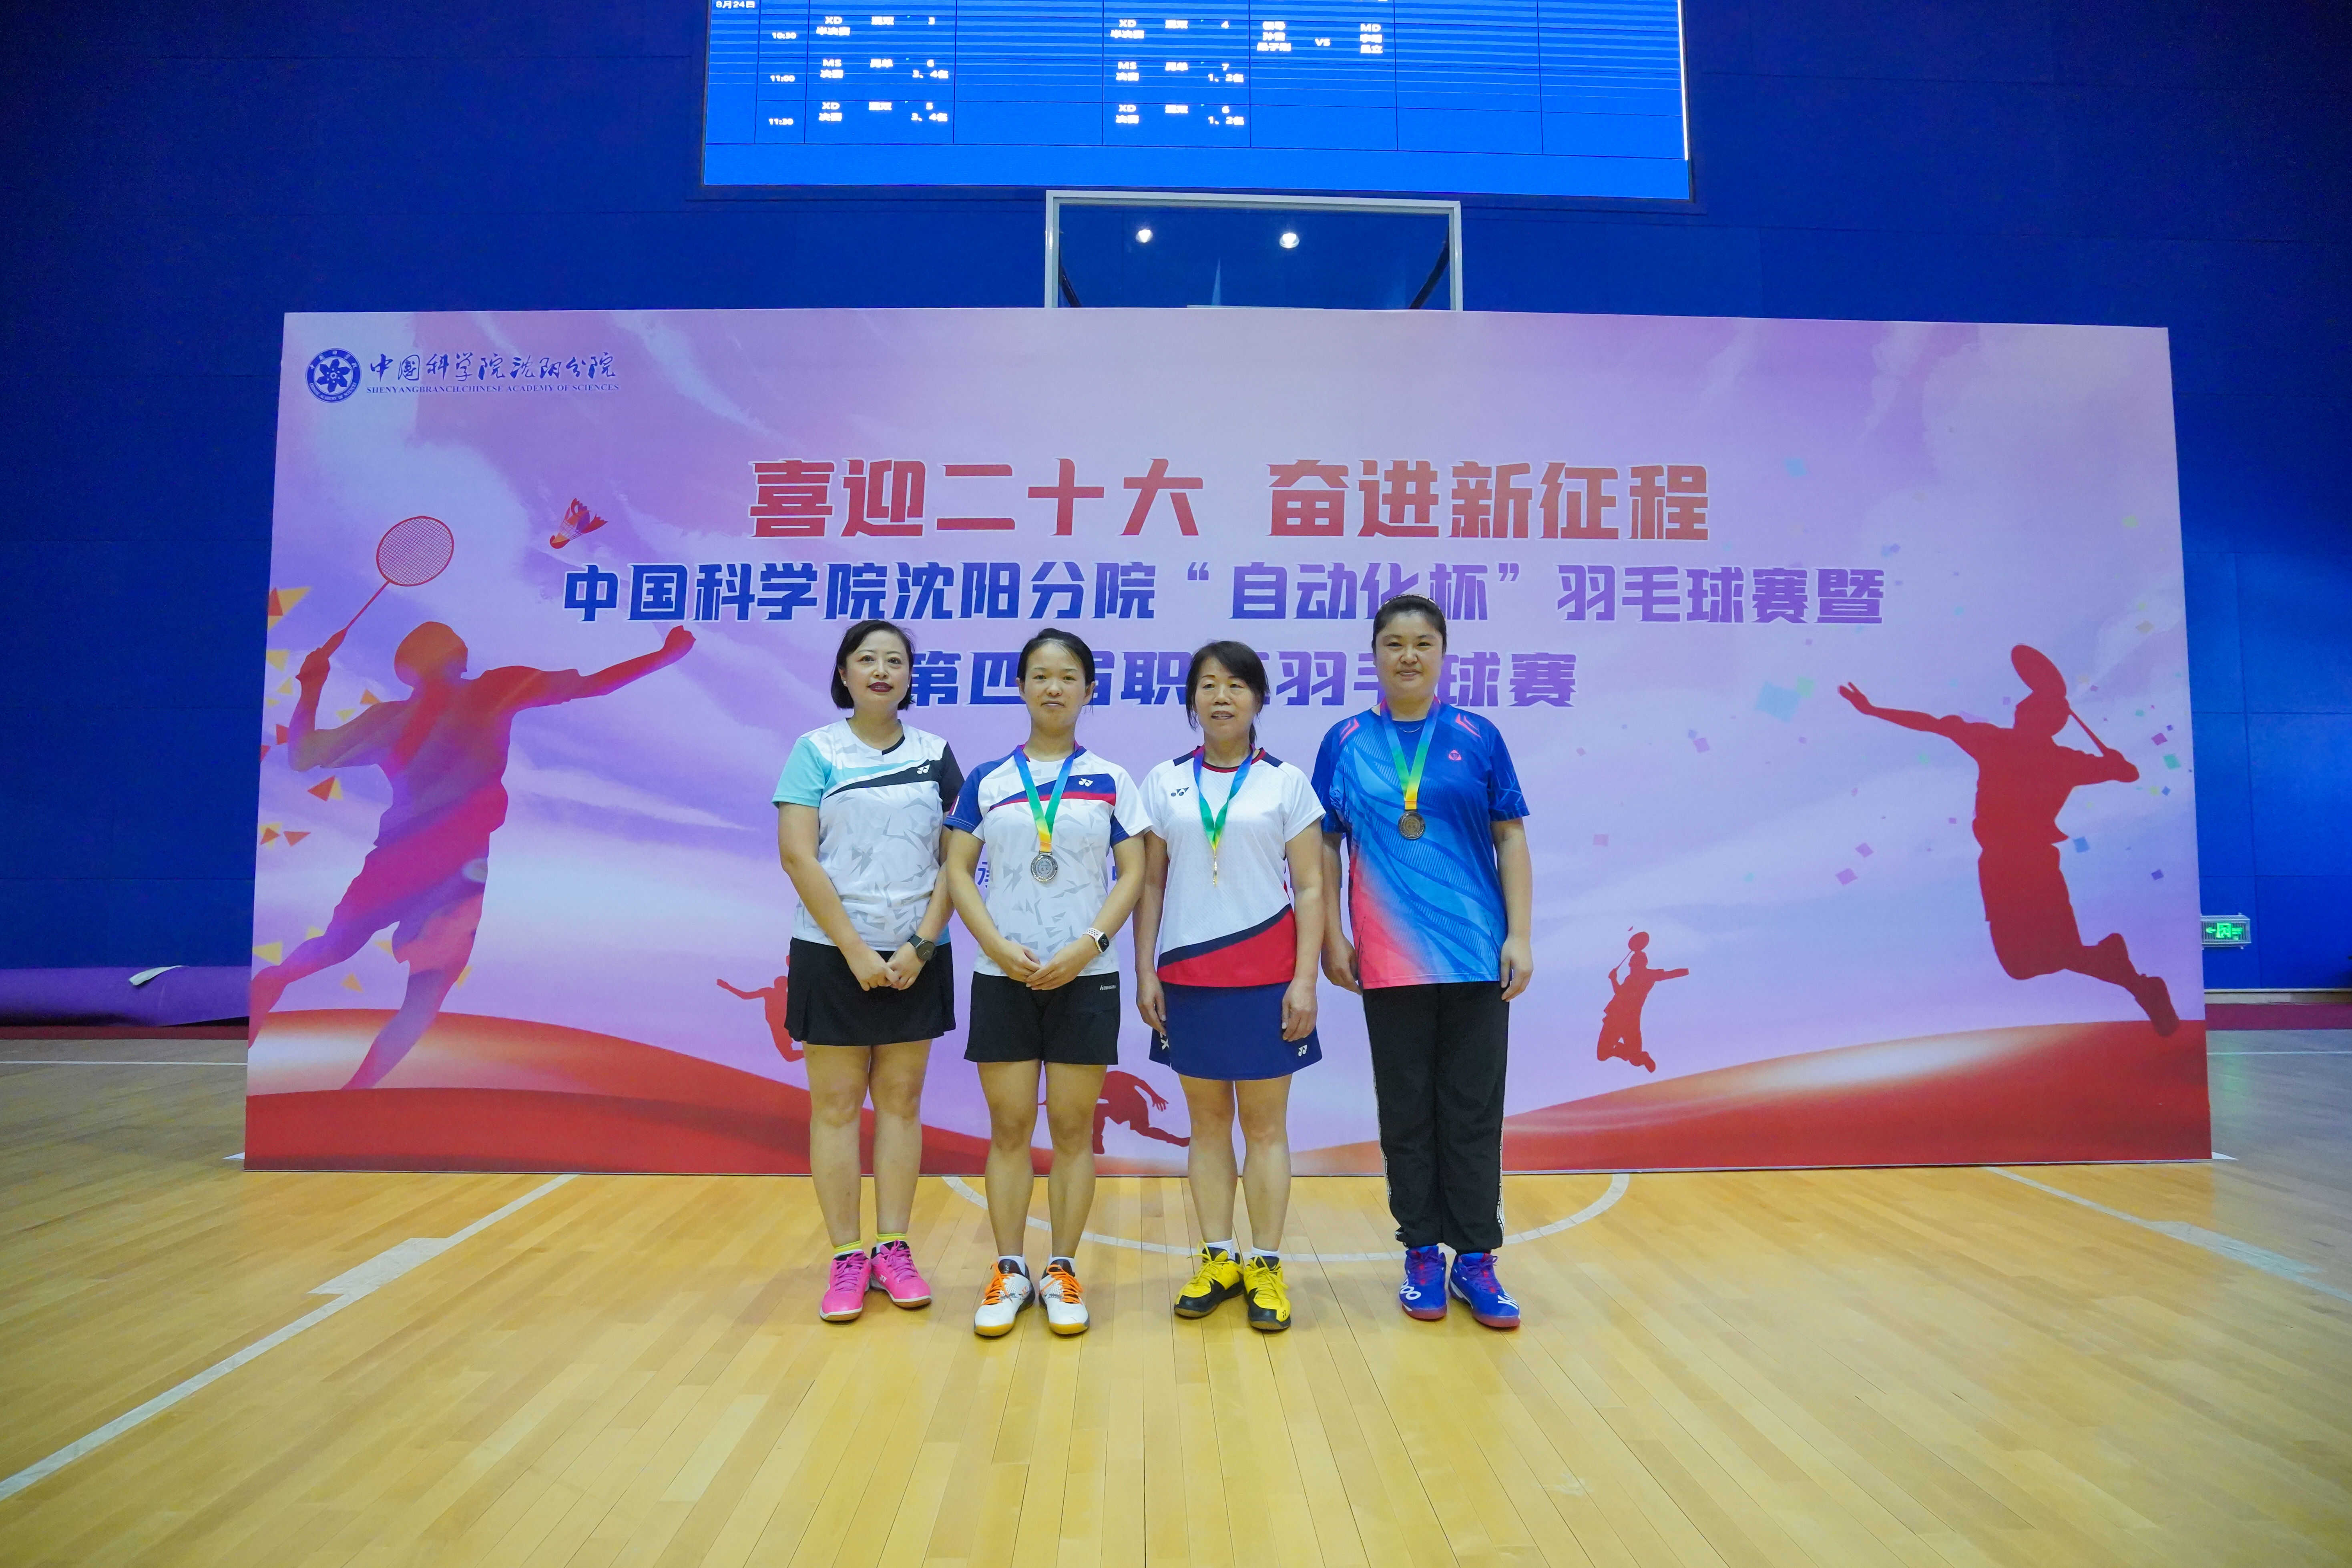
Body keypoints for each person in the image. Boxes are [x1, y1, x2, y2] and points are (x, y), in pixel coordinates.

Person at [251, 620, 693, 1088]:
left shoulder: (389, 717)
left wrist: (312, 685)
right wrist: (665, 656)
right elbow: (593, 684)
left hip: (399, 857)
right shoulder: (494, 689)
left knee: (335, 948)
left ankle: (278, 985)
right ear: (451, 655)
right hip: (457, 864)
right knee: (424, 994)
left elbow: (302, 755)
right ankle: (352, 1093)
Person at [1314, 595, 1534, 1331]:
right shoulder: (1345, 740)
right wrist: (1332, 936)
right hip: (1388, 959)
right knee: (1406, 1113)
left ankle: (1475, 1258)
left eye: (1422, 643)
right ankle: (1419, 1253)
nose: (1408, 655)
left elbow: (1510, 837)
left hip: (1475, 954)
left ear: (1442, 653)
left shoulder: (1477, 735)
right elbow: (1324, 846)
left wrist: (1519, 935)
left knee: (1472, 1112)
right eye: (1394, 643)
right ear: (1374, 653)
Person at [943, 628, 1148, 1338]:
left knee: (1070, 1129)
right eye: (1039, 675)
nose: (1053, 688)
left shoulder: (1112, 779)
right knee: (1008, 1128)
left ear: (1088, 690)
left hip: (1086, 976)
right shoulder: (988, 779)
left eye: (1067, 677)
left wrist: (1089, 944)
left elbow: (1133, 872)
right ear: (1022, 687)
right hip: (1002, 975)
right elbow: (957, 870)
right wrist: (996, 947)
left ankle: (1061, 1268)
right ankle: (1008, 1269)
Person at [1132, 641, 1327, 1333]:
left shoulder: (1286, 782)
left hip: (1269, 978)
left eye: (1237, 685)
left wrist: (1305, 979)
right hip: (1188, 978)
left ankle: (1266, 1264)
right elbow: (1150, 884)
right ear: (1192, 701)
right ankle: (1218, 1257)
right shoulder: (1163, 782)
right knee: (1208, 1126)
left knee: (1266, 1127)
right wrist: (1145, 969)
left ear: (1258, 699)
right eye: (1208, 685)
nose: (1222, 697)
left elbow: (1311, 885)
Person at [772, 620, 962, 1323]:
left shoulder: (936, 754)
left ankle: (894, 1249)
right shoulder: (815, 750)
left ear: (910, 676)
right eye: (867, 659)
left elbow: (957, 859)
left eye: (895, 661)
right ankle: (847, 1256)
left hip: (917, 953)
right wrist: (854, 948)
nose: (882, 671)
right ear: (844, 672)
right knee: (836, 1106)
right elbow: (798, 855)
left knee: (902, 1104)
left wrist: (921, 943)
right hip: (831, 953)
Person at [1839, 651, 2177, 1033]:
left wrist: (1873, 710)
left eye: (2025, 710)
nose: (2018, 713)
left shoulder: (1998, 742)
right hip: (2012, 864)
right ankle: (2130, 976)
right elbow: (2128, 774)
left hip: (2021, 864)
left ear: (2038, 719)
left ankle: (2134, 980)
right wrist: (2114, 762)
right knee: (2026, 964)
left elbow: (1932, 724)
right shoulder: (2062, 759)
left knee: (2042, 959)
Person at [1597, 932, 1687, 1073]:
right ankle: (1628, 1053)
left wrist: (1686, 971)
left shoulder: (1647, 976)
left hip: (1624, 1021)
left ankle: (1634, 1055)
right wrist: (1614, 980)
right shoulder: (1631, 978)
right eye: (1631, 966)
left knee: (1632, 1059)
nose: (1631, 967)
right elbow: (1620, 993)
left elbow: (1669, 975)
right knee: (1606, 1055)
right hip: (1618, 1019)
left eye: (1633, 965)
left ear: (1639, 965)